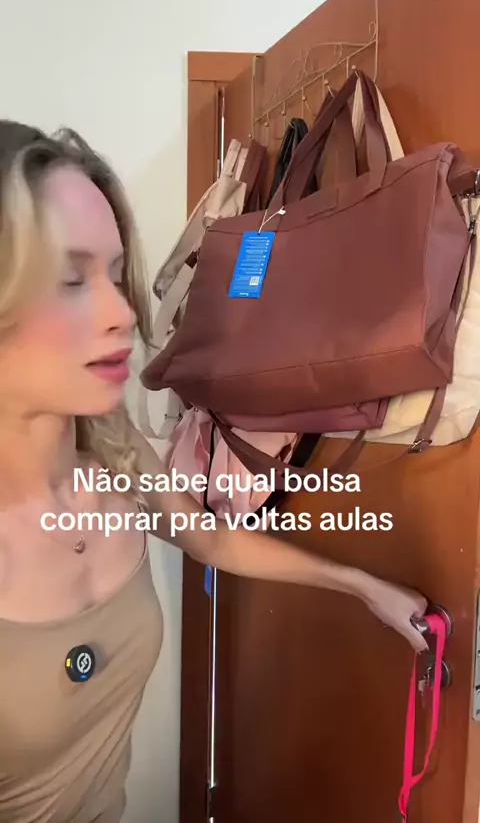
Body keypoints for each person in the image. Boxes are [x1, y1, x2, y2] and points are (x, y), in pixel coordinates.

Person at [0, 120, 428, 823]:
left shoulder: (111, 450)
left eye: (115, 274)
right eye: (70, 281)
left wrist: (363, 587)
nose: (121, 313)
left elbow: (210, 539)